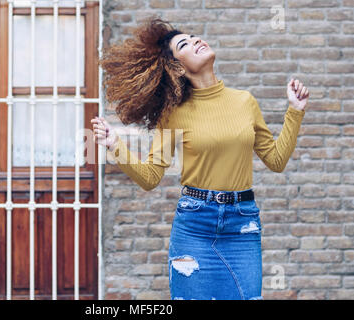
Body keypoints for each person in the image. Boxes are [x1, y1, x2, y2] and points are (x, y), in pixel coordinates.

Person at [91, 18, 309, 300]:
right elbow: (150, 178)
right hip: (195, 225)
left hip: (242, 226)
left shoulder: (245, 102)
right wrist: (114, 144)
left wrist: (295, 111)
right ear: (178, 66)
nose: (195, 40)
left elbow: (276, 160)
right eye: (185, 43)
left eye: (194, 36)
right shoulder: (173, 114)